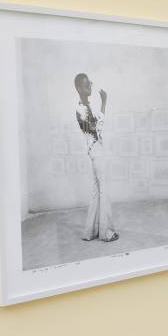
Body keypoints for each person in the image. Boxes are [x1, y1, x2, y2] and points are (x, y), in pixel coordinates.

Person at [75, 73, 119, 242]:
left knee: (95, 192)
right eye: (87, 86)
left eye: (90, 84)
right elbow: (95, 128)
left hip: (94, 152)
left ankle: (89, 232)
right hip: (97, 153)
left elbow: (97, 125)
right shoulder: (80, 110)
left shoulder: (86, 107)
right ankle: (106, 233)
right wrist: (104, 103)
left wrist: (101, 105)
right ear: (79, 88)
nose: (90, 88)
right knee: (104, 190)